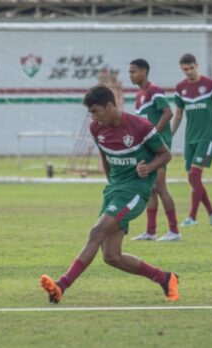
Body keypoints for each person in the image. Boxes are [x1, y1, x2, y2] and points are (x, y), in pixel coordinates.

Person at [40, 85, 179, 303]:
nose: (93, 118)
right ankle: (165, 278)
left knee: (97, 231)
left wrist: (149, 168)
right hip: (114, 191)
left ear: (110, 106)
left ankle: (61, 285)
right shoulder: (97, 129)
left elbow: (166, 155)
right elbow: (105, 156)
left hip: (135, 191)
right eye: (91, 113)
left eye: (96, 111)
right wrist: (112, 183)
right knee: (111, 256)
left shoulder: (141, 127)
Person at [172, 53, 212, 226]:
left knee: (194, 174)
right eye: (185, 69)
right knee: (192, 178)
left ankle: (192, 217)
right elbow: (178, 115)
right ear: (182, 69)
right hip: (190, 139)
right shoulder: (180, 88)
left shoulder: (210, 85)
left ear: (196, 66)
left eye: (191, 68)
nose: (189, 72)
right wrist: (169, 136)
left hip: (207, 137)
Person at [128, 59, 181, 242]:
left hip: (159, 147)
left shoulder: (154, 91)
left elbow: (168, 112)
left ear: (144, 71)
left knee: (159, 186)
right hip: (148, 146)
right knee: (150, 188)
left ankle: (174, 231)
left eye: (133, 71)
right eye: (129, 72)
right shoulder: (138, 95)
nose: (130, 75)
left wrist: (154, 134)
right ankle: (151, 232)